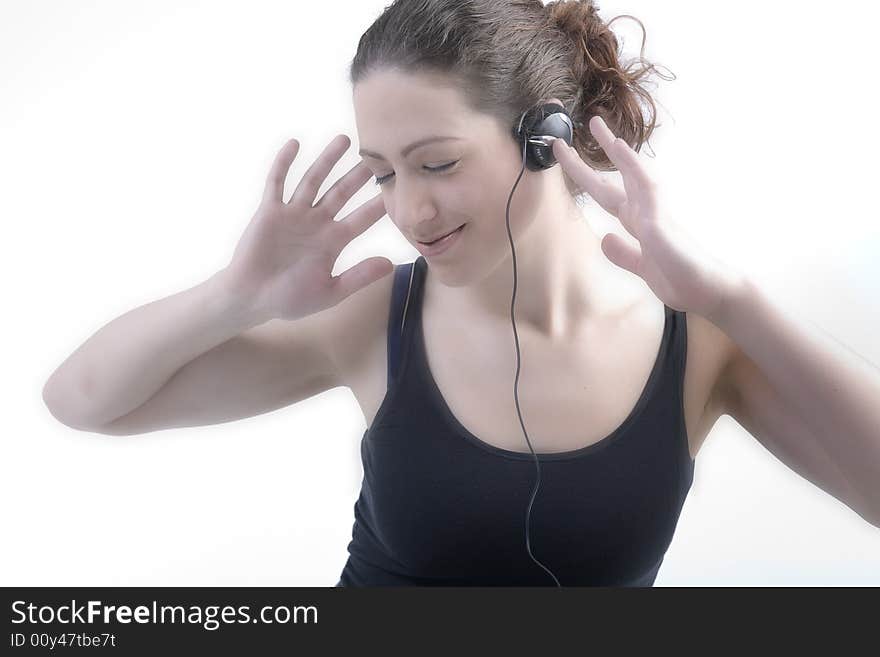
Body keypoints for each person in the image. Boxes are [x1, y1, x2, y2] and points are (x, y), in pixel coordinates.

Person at [39, 0, 736, 586]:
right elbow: (81, 400)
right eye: (383, 174)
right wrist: (235, 296)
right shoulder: (375, 316)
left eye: (436, 163)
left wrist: (736, 300)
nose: (410, 213)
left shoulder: (699, 338)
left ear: (544, 139)